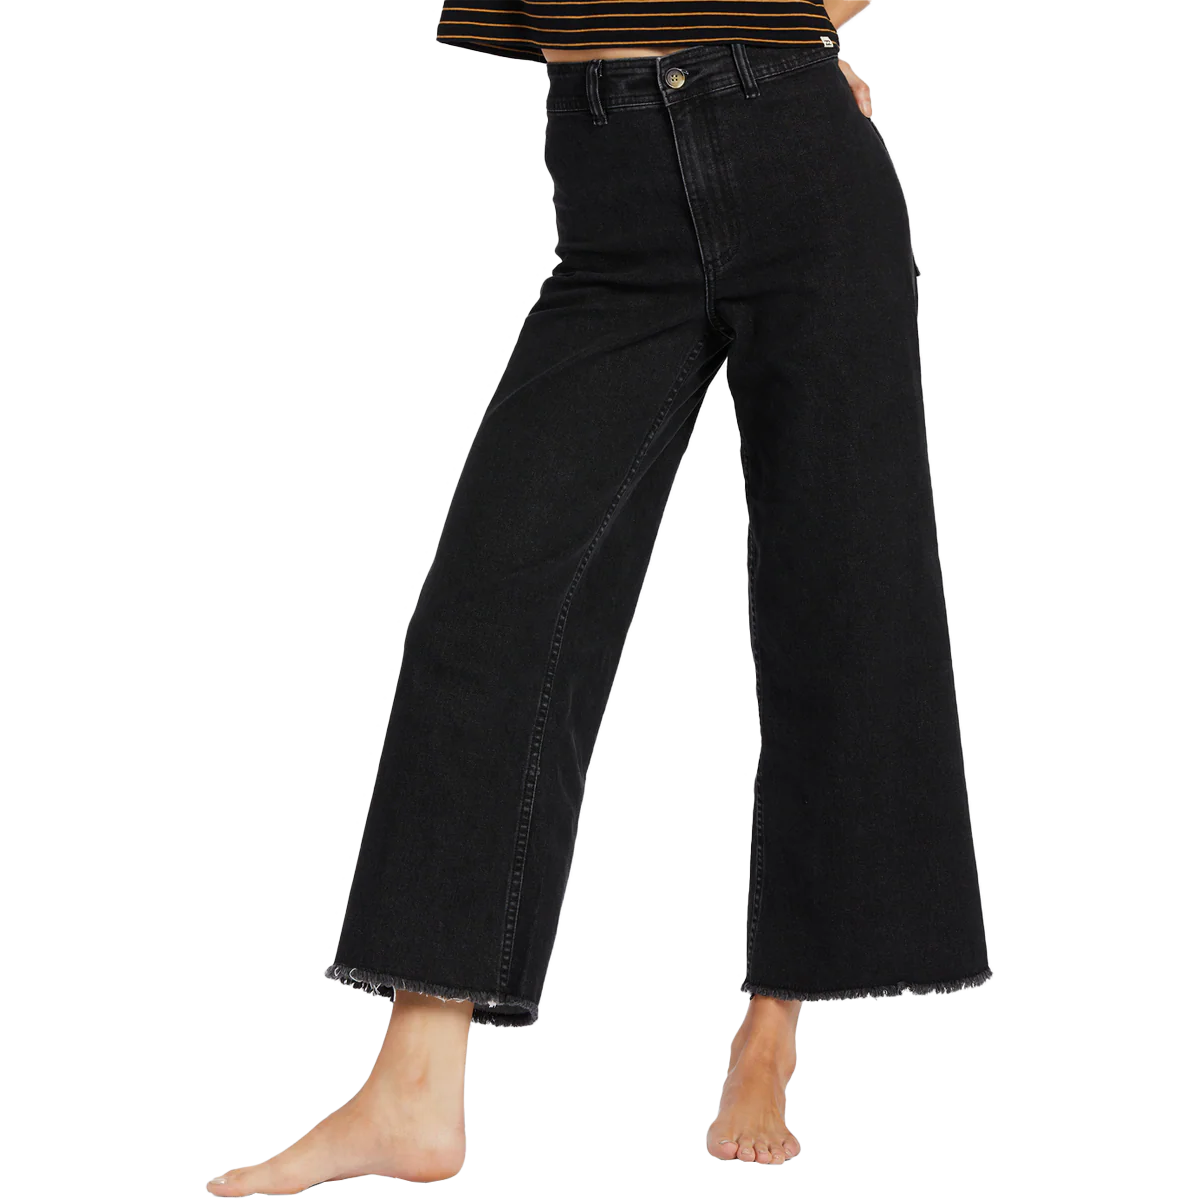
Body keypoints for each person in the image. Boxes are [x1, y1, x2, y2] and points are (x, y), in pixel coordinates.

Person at [206, 2, 993, 1194]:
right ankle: (415, 1085)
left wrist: (791, 30)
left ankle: (773, 1028)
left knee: (838, 605)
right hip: (609, 180)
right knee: (491, 615)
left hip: (782, 139)